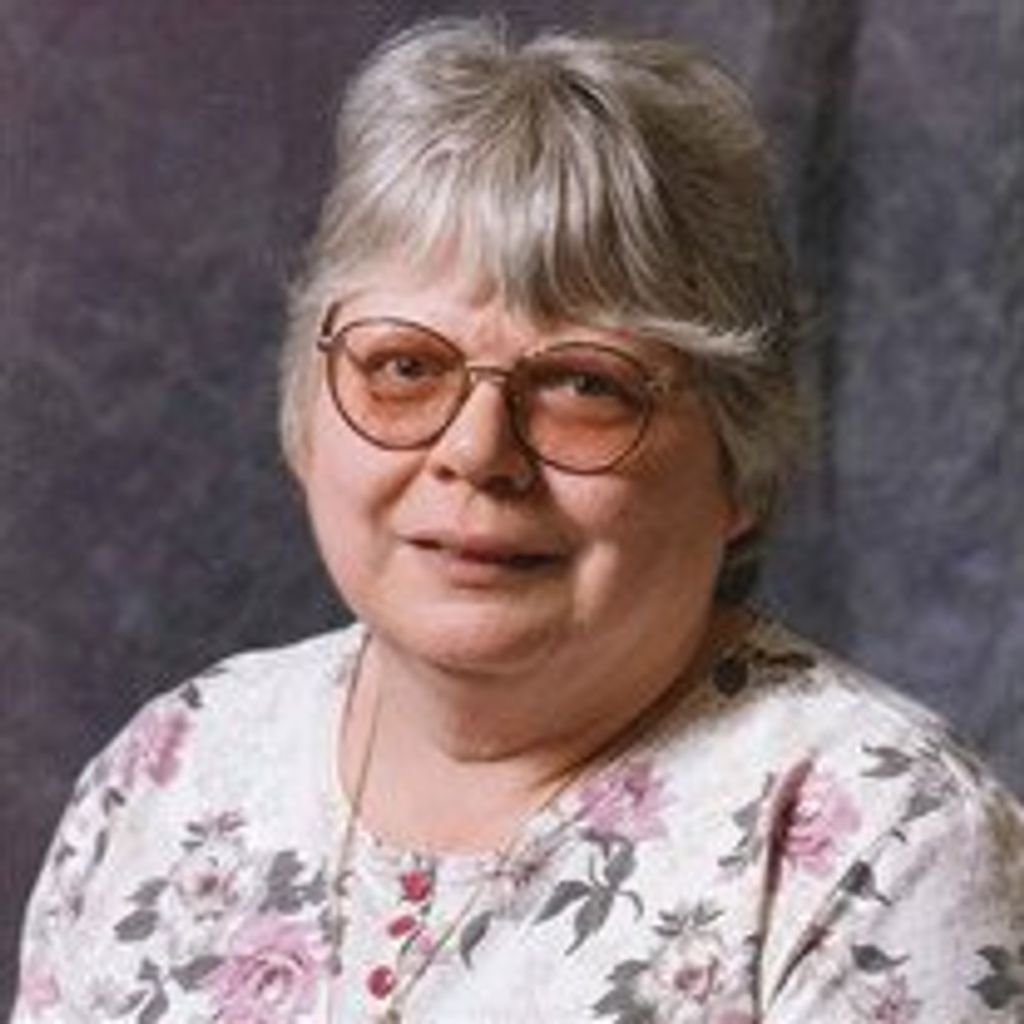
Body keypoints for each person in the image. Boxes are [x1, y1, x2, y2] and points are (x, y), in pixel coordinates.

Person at [12, 17, 1023, 1023]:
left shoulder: (886, 843)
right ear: (307, 415)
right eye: (405, 365)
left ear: (739, 462)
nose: (477, 451)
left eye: (585, 384)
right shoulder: (171, 770)